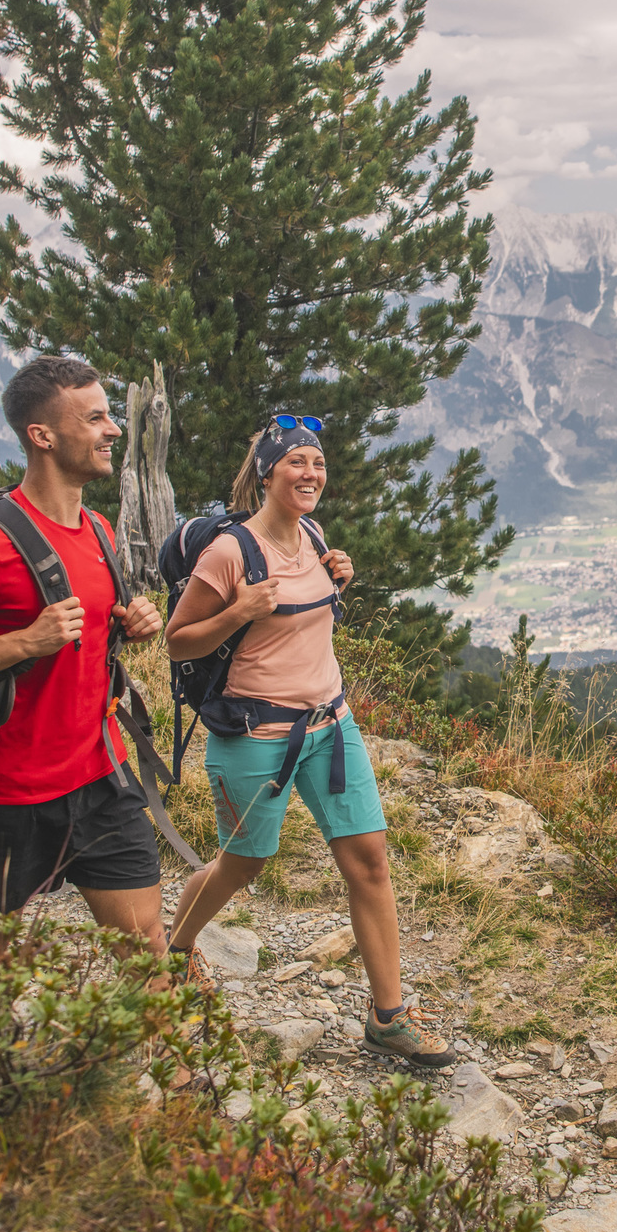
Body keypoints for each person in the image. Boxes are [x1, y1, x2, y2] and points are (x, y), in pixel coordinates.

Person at [160, 416, 455, 1069]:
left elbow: (304, 621)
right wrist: (237, 611)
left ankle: (388, 1016)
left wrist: (336, 580)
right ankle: (174, 951)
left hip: (332, 727)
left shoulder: (315, 536)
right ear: (267, 473)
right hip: (253, 736)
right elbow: (179, 640)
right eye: (296, 461)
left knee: (370, 863)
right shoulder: (230, 552)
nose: (310, 473)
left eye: (317, 463)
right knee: (243, 866)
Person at [0, 355, 170, 947]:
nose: (113, 430)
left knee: (148, 963)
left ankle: (150, 1046)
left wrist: (128, 623)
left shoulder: (98, 529)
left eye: (108, 417)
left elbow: (87, 635)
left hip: (102, 777)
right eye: (94, 419)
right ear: (42, 436)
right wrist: (24, 641)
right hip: (6, 793)